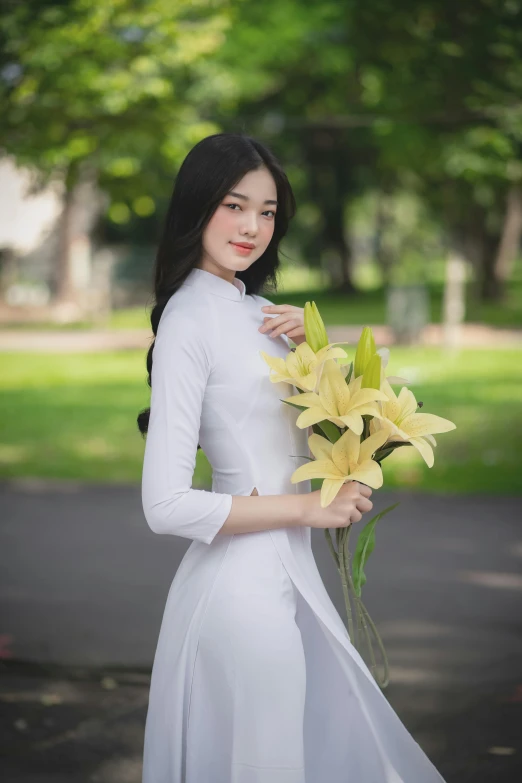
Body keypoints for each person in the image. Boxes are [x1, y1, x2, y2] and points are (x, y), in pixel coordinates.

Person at [138, 133, 446, 782]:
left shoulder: (260, 315)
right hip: (240, 594)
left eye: (268, 211)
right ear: (199, 205)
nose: (253, 226)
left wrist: (317, 351)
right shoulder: (189, 320)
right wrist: (309, 505)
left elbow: (302, 437)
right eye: (234, 204)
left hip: (289, 578)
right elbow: (164, 505)